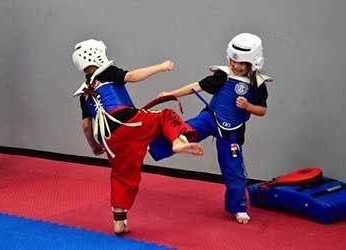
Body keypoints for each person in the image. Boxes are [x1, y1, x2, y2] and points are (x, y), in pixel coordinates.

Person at [71, 39, 203, 234]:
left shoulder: (84, 93)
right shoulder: (107, 72)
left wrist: (94, 146)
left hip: (111, 139)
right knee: (165, 116)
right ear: (98, 54)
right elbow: (132, 76)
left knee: (122, 176)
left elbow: (86, 125)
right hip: (130, 120)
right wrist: (160, 67)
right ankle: (177, 141)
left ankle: (119, 221)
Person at [149, 33, 272, 224]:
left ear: (254, 63)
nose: (236, 66)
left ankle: (238, 208)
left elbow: (262, 110)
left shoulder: (258, 84)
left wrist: (248, 107)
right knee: (185, 130)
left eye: (242, 64)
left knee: (234, 170)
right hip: (210, 118)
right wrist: (170, 94)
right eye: (233, 61)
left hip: (232, 131)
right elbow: (196, 86)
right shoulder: (223, 75)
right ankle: (153, 146)